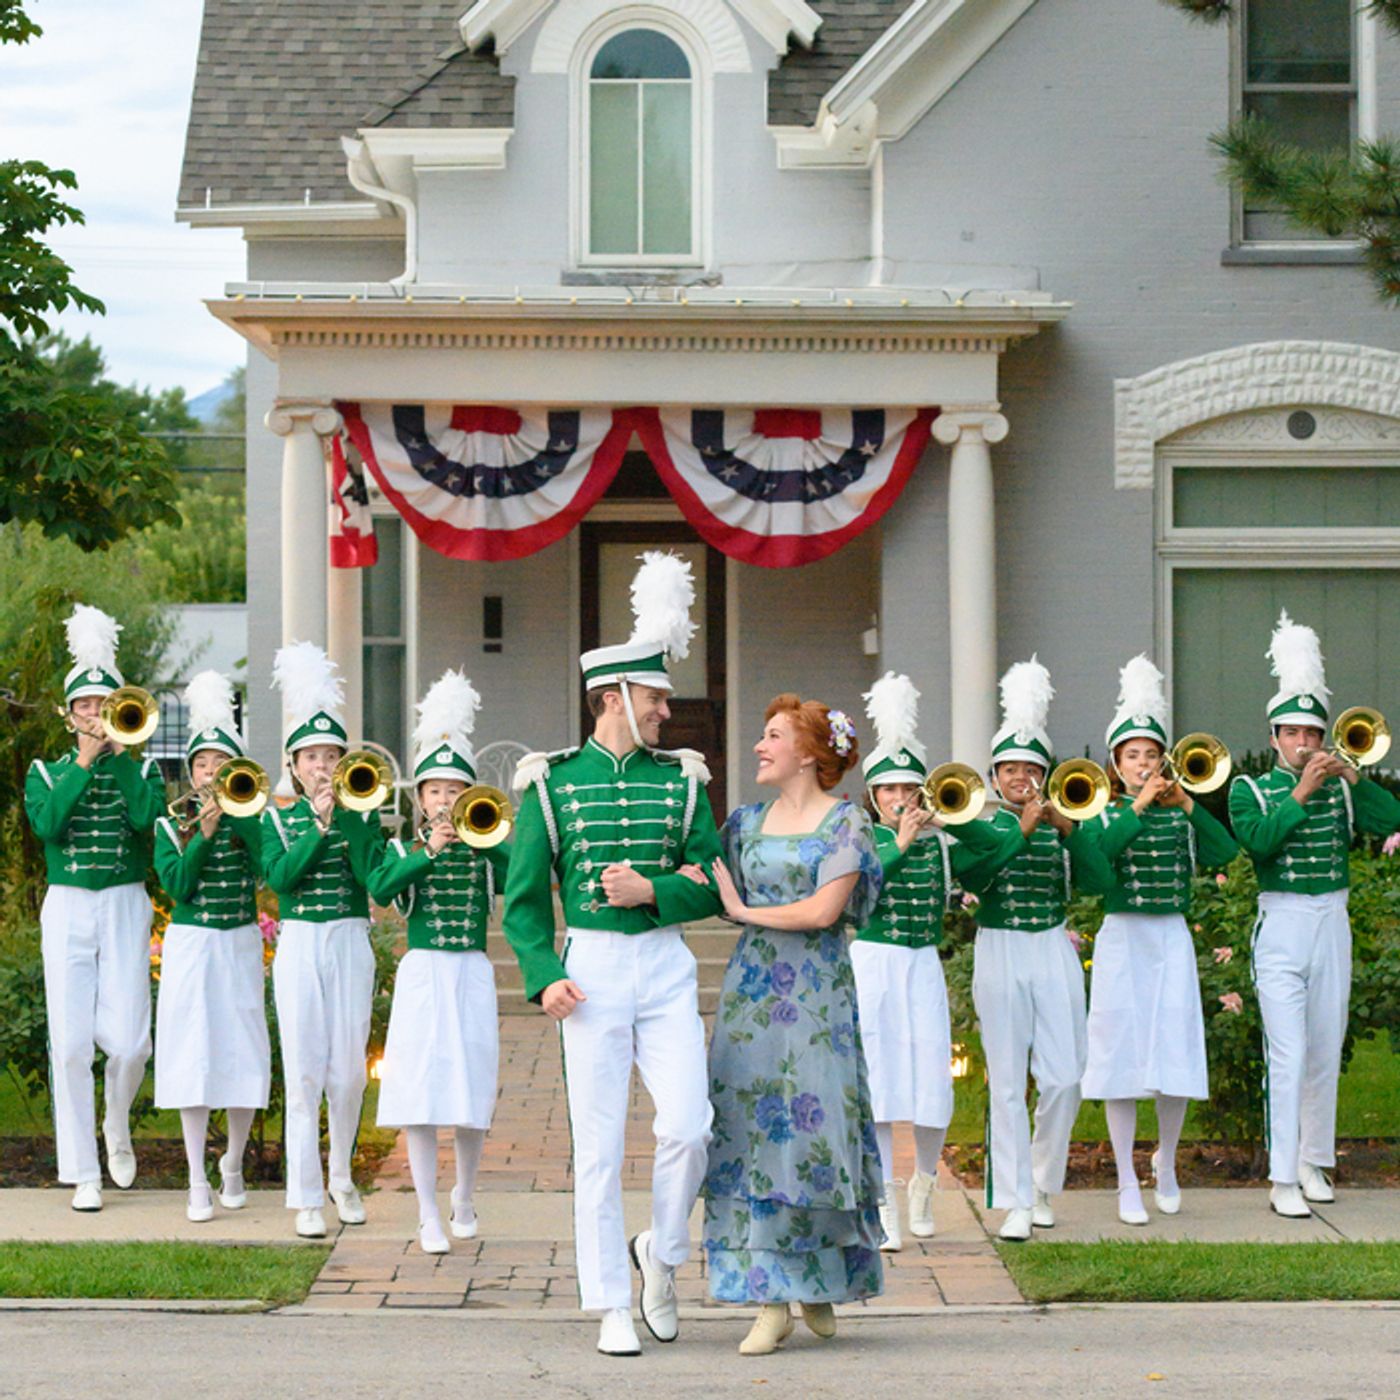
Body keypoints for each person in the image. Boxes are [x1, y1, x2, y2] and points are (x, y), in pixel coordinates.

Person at [502, 553, 724, 1357]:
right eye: (656, 697)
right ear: (615, 698)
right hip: (590, 969)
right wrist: (544, 974)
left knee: (691, 1128)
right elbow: (524, 900)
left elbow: (714, 884)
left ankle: (660, 1259)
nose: (669, 709)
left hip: (665, 965)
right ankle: (609, 1305)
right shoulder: (551, 785)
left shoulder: (685, 782)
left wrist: (655, 890)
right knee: (596, 1146)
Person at [700, 693, 885, 1357]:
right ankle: (771, 1298)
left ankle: (818, 1278)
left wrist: (742, 911)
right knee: (750, 1133)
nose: (759, 745)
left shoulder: (847, 825)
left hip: (816, 1002)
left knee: (811, 1132)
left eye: (772, 735)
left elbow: (821, 913)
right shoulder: (744, 823)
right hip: (751, 1000)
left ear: (808, 752)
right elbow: (701, 881)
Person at [1229, 613, 1400, 1219]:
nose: (1305, 744)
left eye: (1313, 733)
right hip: (1282, 923)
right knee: (1289, 1050)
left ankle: (1312, 1161)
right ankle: (1281, 1178)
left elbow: (1387, 820)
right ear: (1274, 737)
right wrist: (1302, 792)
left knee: (1325, 1047)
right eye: (1293, 734)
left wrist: (1354, 774)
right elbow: (1260, 844)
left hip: (1333, 920)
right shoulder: (1250, 790)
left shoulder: (1343, 787)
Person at [851, 672, 1018, 1250]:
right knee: (877, 1080)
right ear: (873, 796)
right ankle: (883, 1201)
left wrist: (951, 821)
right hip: (872, 964)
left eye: (907, 789)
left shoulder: (940, 839)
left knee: (929, 1081)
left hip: (921, 964)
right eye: (888, 790)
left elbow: (1000, 847)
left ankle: (923, 1182)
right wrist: (900, 839)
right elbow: (864, 885)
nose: (900, 799)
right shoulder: (861, 836)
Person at [961, 658, 1114, 1242]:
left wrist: (1069, 829)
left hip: (1052, 945)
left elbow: (1103, 883)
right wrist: (1021, 830)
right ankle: (1014, 1199)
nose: (1022, 778)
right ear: (994, 775)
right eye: (1011, 769)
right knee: (1005, 1079)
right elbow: (975, 879)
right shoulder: (978, 821)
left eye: (1032, 769)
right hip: (999, 947)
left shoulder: (1067, 821)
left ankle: (1044, 1181)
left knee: (1065, 1075)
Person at [1080, 657, 1237, 1225]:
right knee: (1119, 1054)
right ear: (1116, 765)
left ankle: (1165, 1161)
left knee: (1173, 1050)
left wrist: (1189, 805)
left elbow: (1224, 853)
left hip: (1169, 937)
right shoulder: (1102, 811)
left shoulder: (1181, 812)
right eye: (1132, 756)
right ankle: (1125, 1177)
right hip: (1123, 938)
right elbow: (1098, 862)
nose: (1143, 764)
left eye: (1151, 754)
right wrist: (1139, 807)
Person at [25, 605, 164, 1211]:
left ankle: (115, 1119)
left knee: (132, 1044)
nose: (96, 715)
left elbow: (142, 821)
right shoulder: (46, 773)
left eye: (105, 704)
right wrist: (83, 761)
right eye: (86, 705)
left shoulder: (145, 770)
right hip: (70, 904)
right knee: (70, 1041)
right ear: (69, 714)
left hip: (126, 901)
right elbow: (49, 826)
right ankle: (83, 1171)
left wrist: (125, 754)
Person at [369, 670, 509, 1255]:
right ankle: (427, 1211)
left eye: (456, 790)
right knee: (422, 1095)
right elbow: (381, 888)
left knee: (472, 1091)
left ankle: (465, 1195)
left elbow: (520, 872)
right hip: (424, 973)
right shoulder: (405, 848)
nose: (445, 801)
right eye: (434, 791)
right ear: (419, 798)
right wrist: (428, 849)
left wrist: (489, 836)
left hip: (471, 971)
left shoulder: (485, 846)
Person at [263, 642, 386, 1239]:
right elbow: (280, 878)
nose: (322, 765)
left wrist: (352, 819)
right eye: (311, 756)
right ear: (293, 764)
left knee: (349, 1073)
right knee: (305, 1068)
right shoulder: (276, 818)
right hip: (300, 942)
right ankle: (306, 1194)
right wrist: (315, 826)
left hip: (349, 938)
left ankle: (342, 1176)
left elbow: (372, 881)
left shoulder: (360, 814)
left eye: (331, 755)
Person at [152, 670, 271, 1223]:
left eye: (223, 765)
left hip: (240, 941)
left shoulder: (253, 817)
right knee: (194, 1055)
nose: (212, 773)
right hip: (193, 943)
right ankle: (197, 1176)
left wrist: (239, 815)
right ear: (190, 771)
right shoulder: (171, 823)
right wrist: (203, 832)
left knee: (243, 1049)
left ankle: (234, 1162)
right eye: (203, 765)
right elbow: (176, 885)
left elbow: (266, 866)